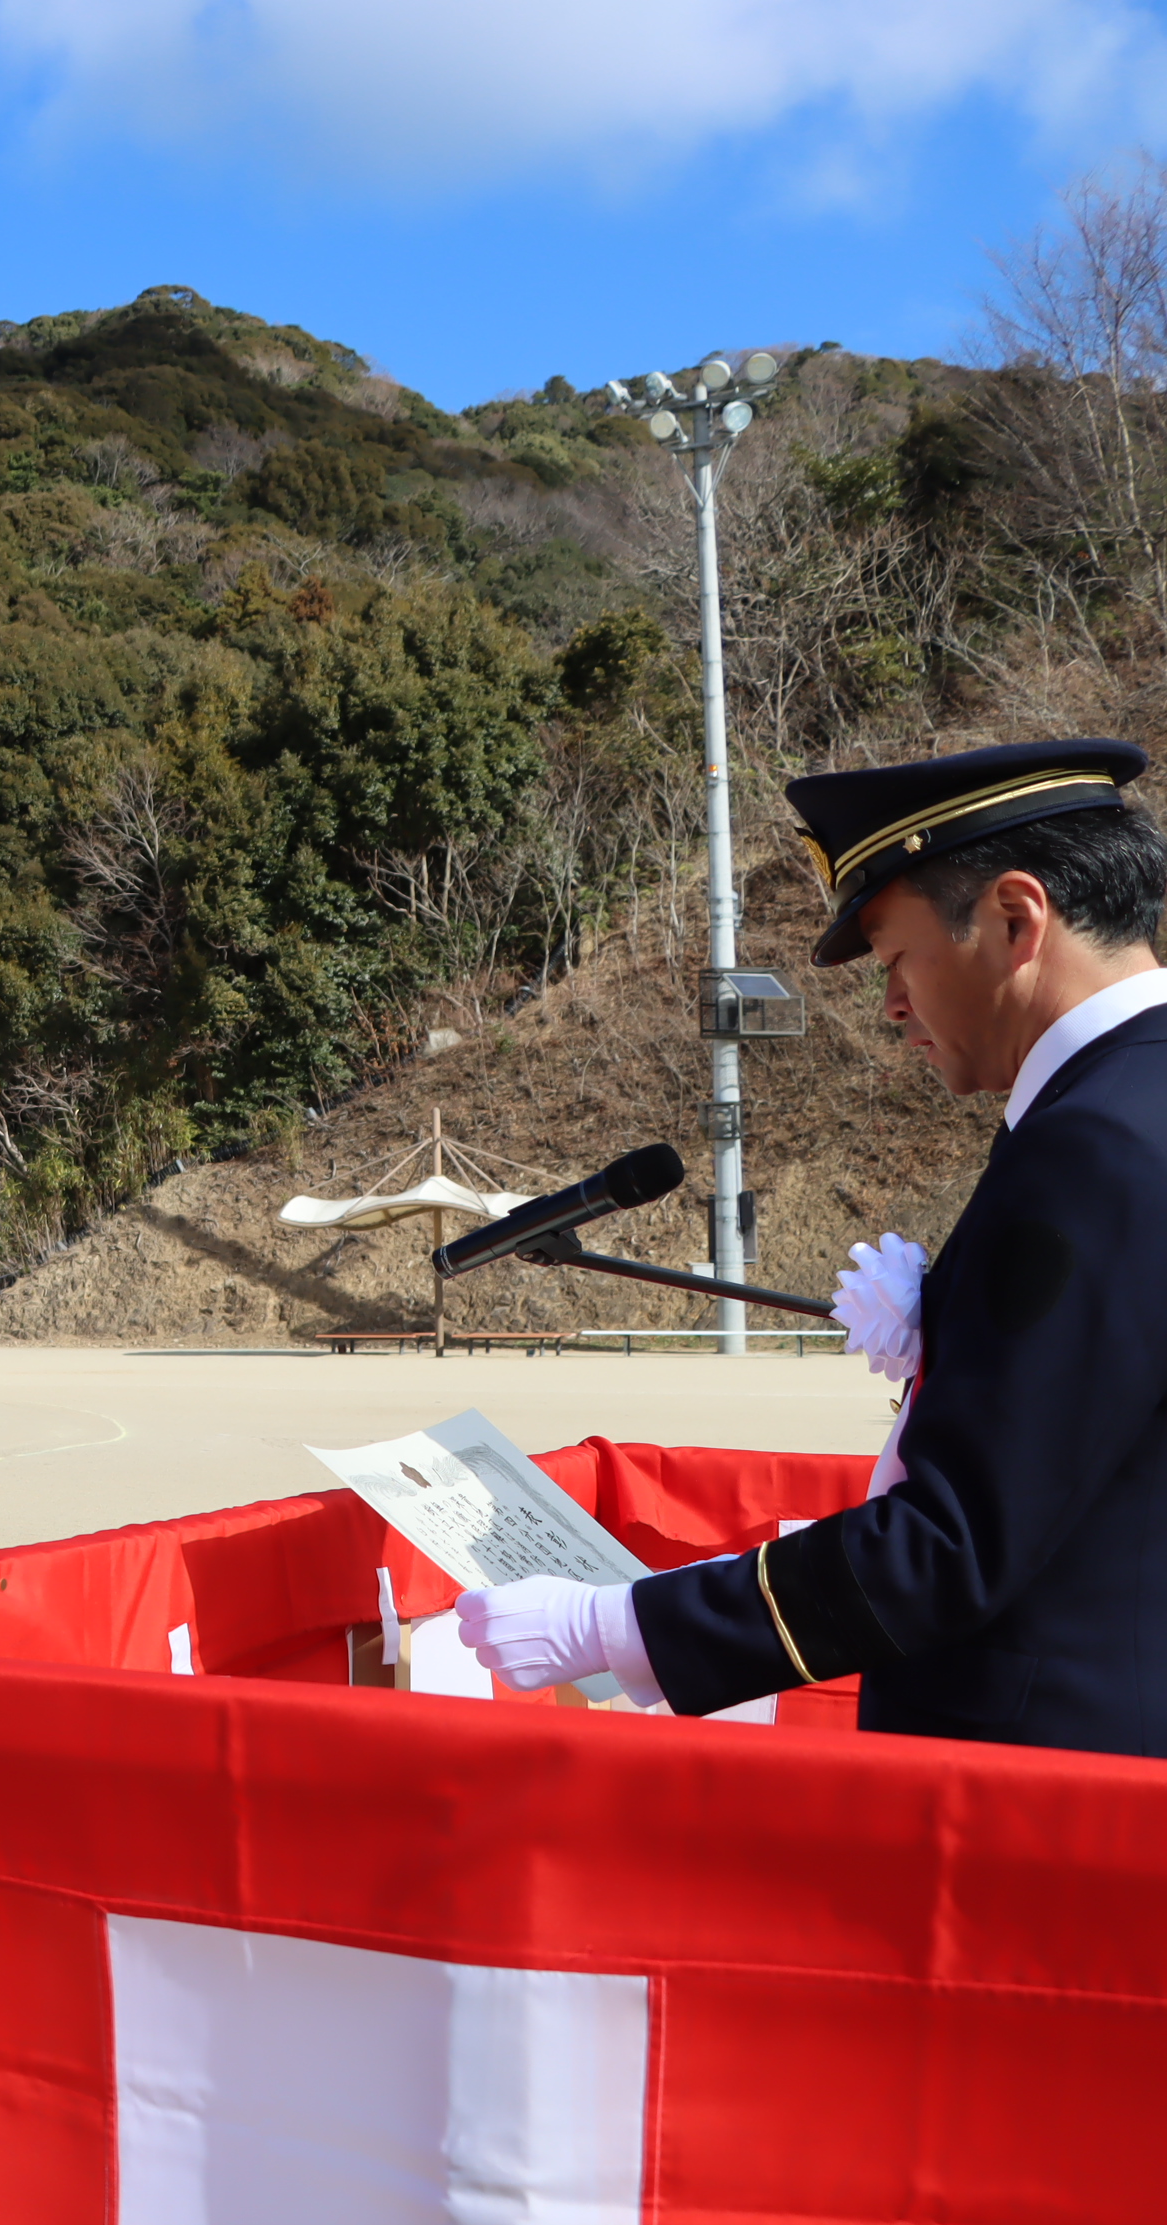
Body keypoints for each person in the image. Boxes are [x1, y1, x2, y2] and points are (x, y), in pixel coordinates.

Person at [459, 740, 1167, 1755]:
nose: (889, 1006)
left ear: (1015, 919)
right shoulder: (1124, 1100)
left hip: (1053, 1784)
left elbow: (951, 1545)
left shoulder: (1093, 1141)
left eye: (895, 960)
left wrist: (612, 1625)